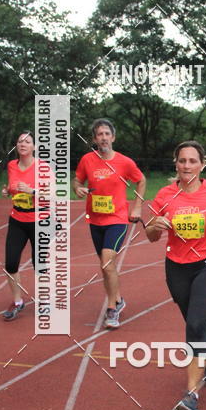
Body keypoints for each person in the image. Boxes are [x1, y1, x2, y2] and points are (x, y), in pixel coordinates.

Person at [146, 141, 206, 410]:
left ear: (202, 164)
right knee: (195, 323)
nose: (187, 166)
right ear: (176, 163)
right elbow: (151, 235)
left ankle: (191, 394)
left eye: (192, 161)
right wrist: (154, 226)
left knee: (196, 324)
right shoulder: (164, 195)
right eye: (182, 161)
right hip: (177, 267)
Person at [73, 118, 145, 329]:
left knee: (106, 261)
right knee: (106, 267)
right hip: (95, 219)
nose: (103, 138)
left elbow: (141, 180)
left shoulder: (124, 162)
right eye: (99, 134)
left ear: (113, 137)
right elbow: (77, 180)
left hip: (117, 219)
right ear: (94, 139)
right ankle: (119, 299)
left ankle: (112, 308)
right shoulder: (87, 160)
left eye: (107, 134)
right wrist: (77, 188)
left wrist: (138, 207)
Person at [1, 131, 48, 320]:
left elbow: (53, 195)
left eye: (27, 141)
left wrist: (33, 191)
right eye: (20, 141)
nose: (23, 144)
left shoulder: (43, 167)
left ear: (34, 147)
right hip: (17, 220)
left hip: (39, 221)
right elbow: (12, 187)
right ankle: (18, 301)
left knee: (40, 264)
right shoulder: (12, 165)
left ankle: (44, 301)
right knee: (11, 263)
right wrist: (6, 190)